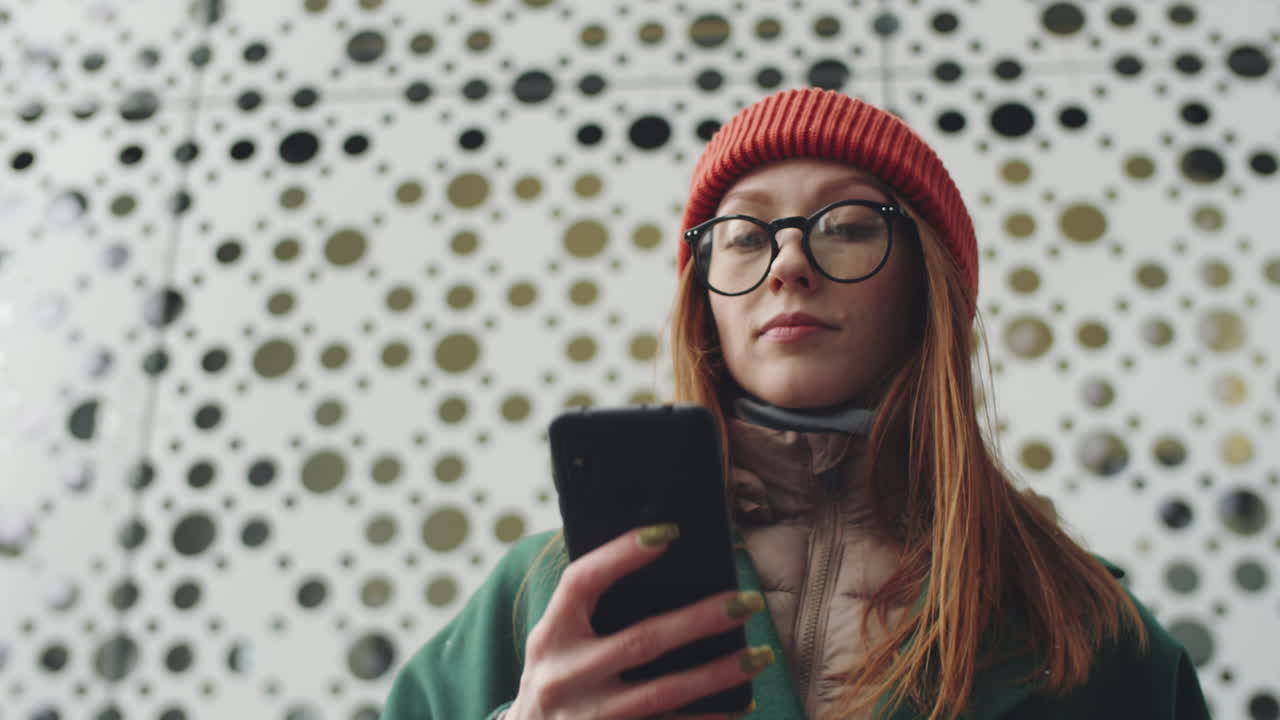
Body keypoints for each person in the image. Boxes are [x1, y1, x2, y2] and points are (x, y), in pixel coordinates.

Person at [379, 87, 1212, 719]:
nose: (787, 264)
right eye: (744, 236)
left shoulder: (1084, 625)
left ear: (928, 285)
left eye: (846, 226)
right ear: (704, 300)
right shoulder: (545, 594)